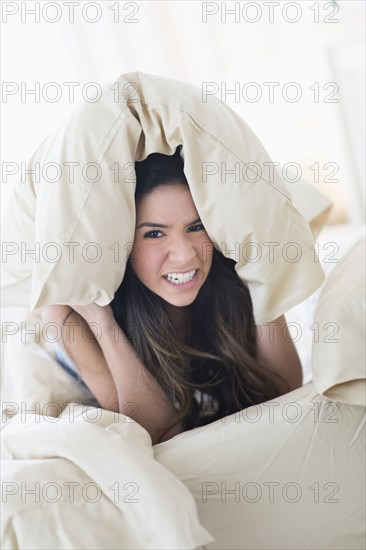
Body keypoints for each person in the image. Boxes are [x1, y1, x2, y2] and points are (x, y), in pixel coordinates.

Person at [43, 147, 302, 445]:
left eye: (196, 227)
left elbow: (286, 397)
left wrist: (262, 277)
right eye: (154, 233)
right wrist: (103, 321)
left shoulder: (230, 273)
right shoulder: (70, 313)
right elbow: (158, 435)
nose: (184, 255)